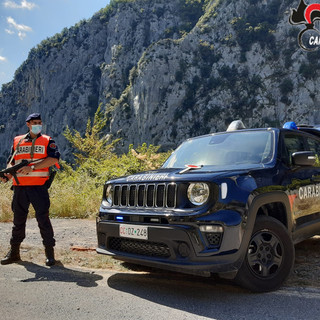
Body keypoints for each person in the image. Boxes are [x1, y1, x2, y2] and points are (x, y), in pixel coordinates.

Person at [0, 113, 60, 266]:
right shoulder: (17, 141)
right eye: (34, 122)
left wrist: (32, 167)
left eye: (39, 122)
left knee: (43, 220)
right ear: (28, 124)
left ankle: (50, 255)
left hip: (38, 187)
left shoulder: (47, 140)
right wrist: (7, 176)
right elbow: (12, 162)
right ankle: (14, 253)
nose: (38, 125)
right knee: (18, 221)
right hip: (20, 187)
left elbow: (53, 159)